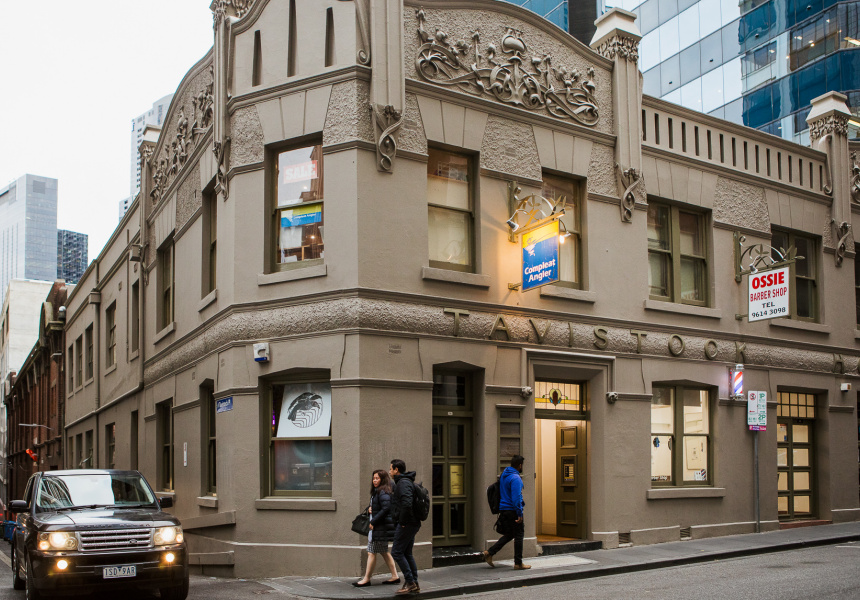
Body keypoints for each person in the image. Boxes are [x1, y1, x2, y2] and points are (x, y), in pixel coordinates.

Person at [482, 454, 530, 570]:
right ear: (520, 465)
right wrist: (519, 513)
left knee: (510, 534)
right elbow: (516, 497)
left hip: (504, 509)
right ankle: (518, 563)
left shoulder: (504, 475)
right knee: (519, 535)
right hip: (513, 510)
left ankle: (490, 552)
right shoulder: (516, 478)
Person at [353, 470, 400, 587]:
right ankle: (395, 576)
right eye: (373, 478)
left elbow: (386, 508)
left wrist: (373, 520)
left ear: (382, 479)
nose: (374, 480)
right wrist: (370, 508)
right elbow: (380, 506)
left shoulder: (382, 491)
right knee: (384, 552)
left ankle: (366, 579)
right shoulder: (379, 491)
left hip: (379, 528)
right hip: (381, 528)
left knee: (371, 552)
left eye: (377, 478)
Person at [390, 459, 421, 595]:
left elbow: (407, 503)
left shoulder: (403, 483)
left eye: (391, 469)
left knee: (396, 552)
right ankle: (414, 582)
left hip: (407, 523)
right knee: (407, 553)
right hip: (412, 523)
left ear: (396, 470)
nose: (390, 471)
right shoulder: (405, 482)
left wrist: (402, 521)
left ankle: (410, 582)